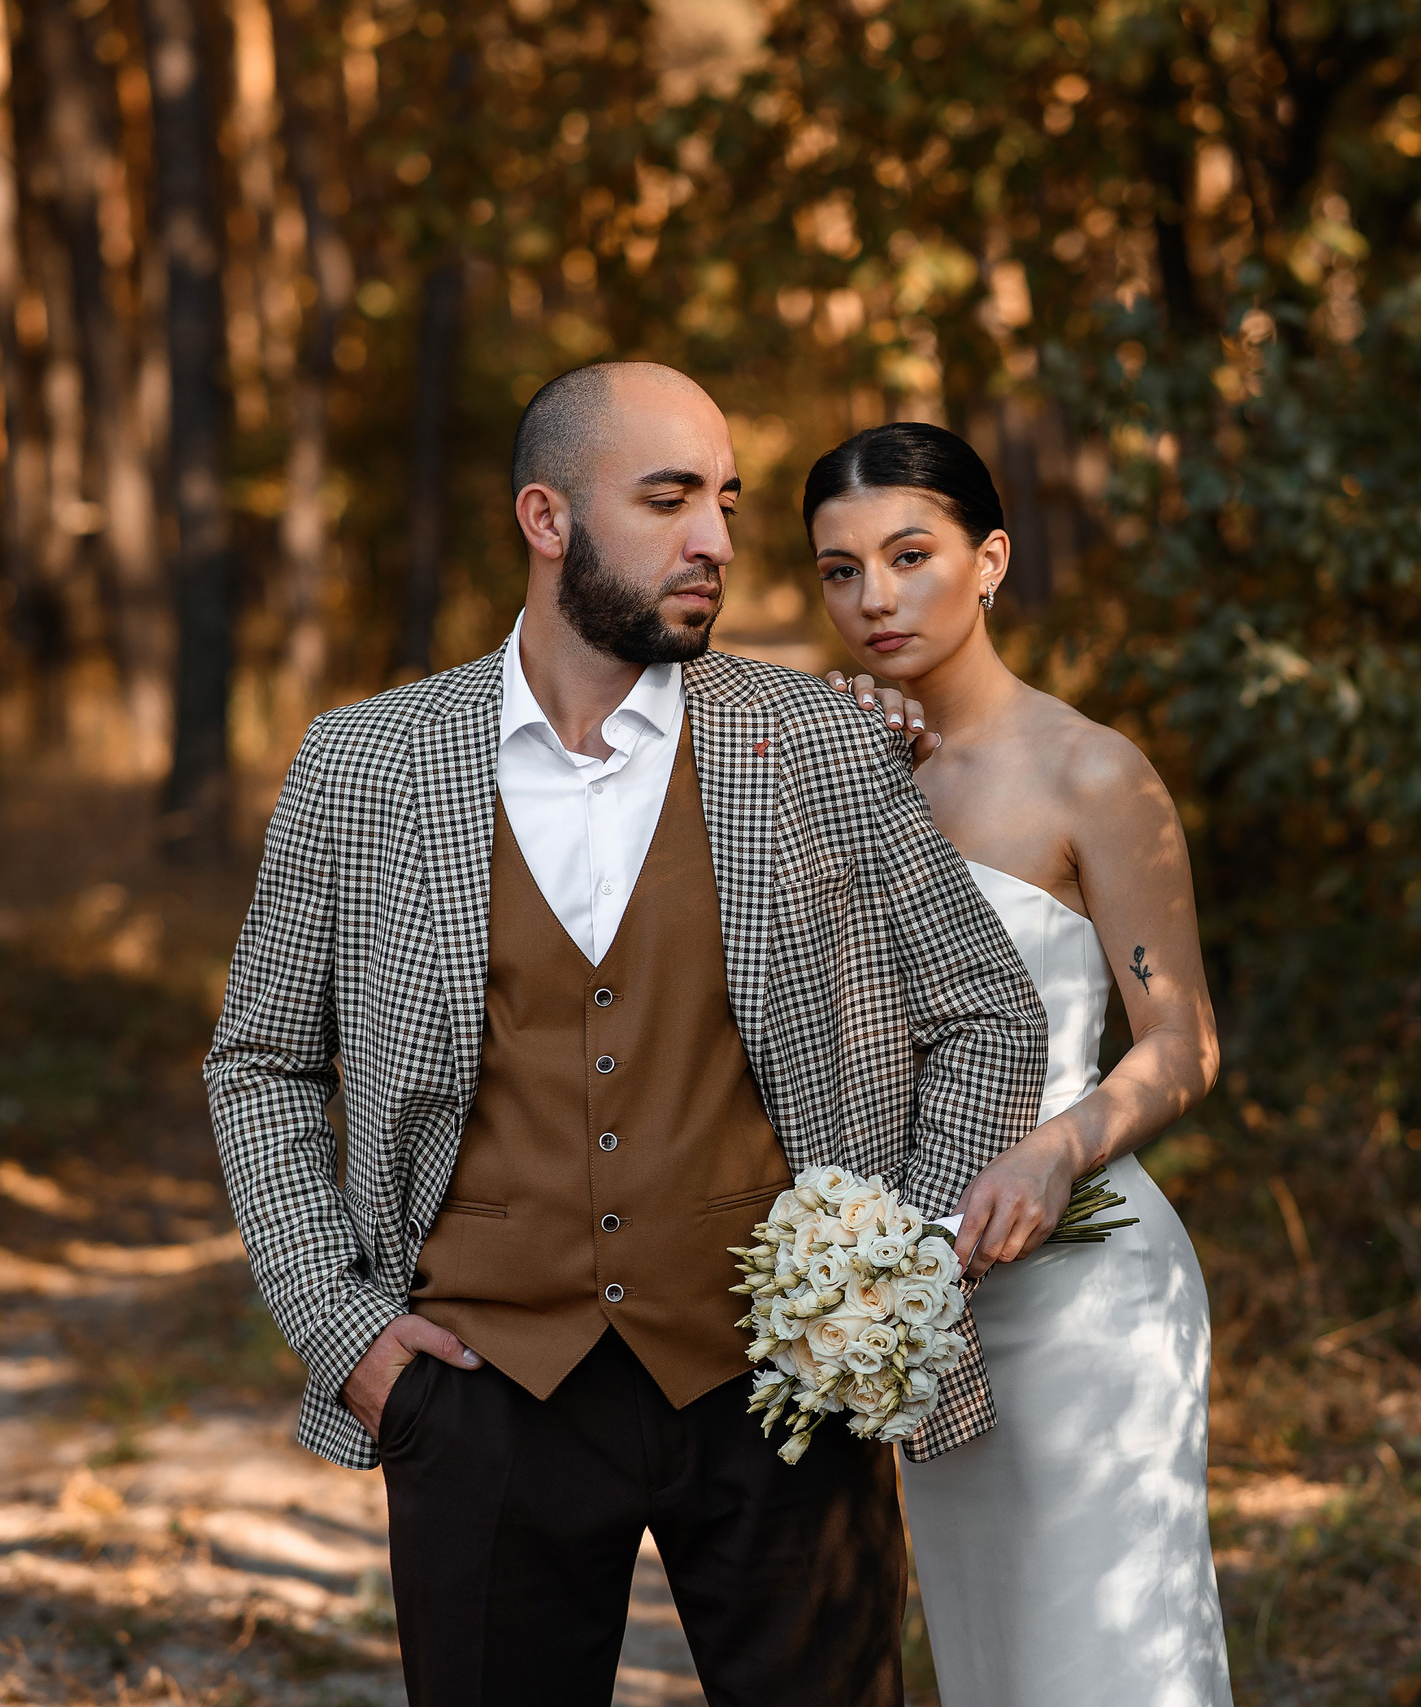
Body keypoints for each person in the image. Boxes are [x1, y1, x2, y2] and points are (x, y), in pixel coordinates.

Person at [203, 365, 1047, 1706]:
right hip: (478, 1397)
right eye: (667, 500)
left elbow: (989, 1009)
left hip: (781, 1396)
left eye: (724, 500)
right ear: (547, 518)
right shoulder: (364, 763)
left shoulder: (815, 741)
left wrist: (889, 1273)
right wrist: (344, 1327)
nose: (714, 538)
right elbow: (259, 1061)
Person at [803, 421, 1235, 1707]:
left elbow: (1183, 1041)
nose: (874, 597)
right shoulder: (824, 764)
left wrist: (1058, 1147)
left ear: (990, 560)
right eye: (838, 570)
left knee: (1103, 1661)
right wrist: (834, 778)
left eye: (910, 553)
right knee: (988, 1663)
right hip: (917, 1295)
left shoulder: (1092, 774)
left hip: (1088, 1283)